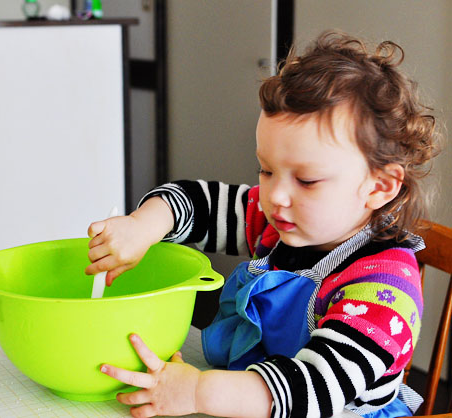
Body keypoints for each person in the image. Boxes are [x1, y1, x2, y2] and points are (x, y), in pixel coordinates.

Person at [86, 30, 441, 418]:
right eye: (267, 170)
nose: (275, 196)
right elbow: (194, 202)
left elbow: (310, 389)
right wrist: (142, 226)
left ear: (379, 187)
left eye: (306, 180)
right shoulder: (281, 223)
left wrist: (197, 391)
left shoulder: (385, 289)